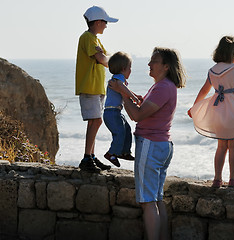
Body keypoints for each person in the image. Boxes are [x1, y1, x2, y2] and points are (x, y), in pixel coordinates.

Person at [109, 47, 186, 240]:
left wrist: (123, 94)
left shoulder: (162, 88)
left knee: (147, 202)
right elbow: (145, 111)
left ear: (166, 66)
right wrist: (131, 97)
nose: (149, 64)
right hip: (162, 145)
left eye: (154, 61)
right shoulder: (164, 86)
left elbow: (137, 116)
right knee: (157, 199)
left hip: (151, 145)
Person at [188, 36, 234, 188]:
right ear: (230, 52)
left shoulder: (213, 70)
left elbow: (204, 90)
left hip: (218, 112)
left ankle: (217, 179)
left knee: (221, 147)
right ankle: (233, 179)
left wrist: (194, 107)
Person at [75, 6, 118, 172]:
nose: (106, 26)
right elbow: (103, 60)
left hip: (96, 87)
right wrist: (112, 62)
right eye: (105, 22)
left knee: (94, 121)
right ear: (98, 22)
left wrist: (106, 57)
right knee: (96, 121)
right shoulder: (88, 38)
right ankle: (87, 158)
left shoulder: (95, 39)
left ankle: (91, 156)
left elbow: (104, 58)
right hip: (90, 86)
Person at [103, 52, 140, 167]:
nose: (130, 70)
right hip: (111, 112)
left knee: (127, 130)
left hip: (116, 112)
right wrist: (133, 97)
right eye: (130, 68)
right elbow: (121, 86)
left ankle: (124, 152)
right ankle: (111, 153)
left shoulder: (120, 79)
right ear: (124, 69)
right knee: (119, 132)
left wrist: (135, 95)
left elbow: (124, 89)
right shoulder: (117, 79)